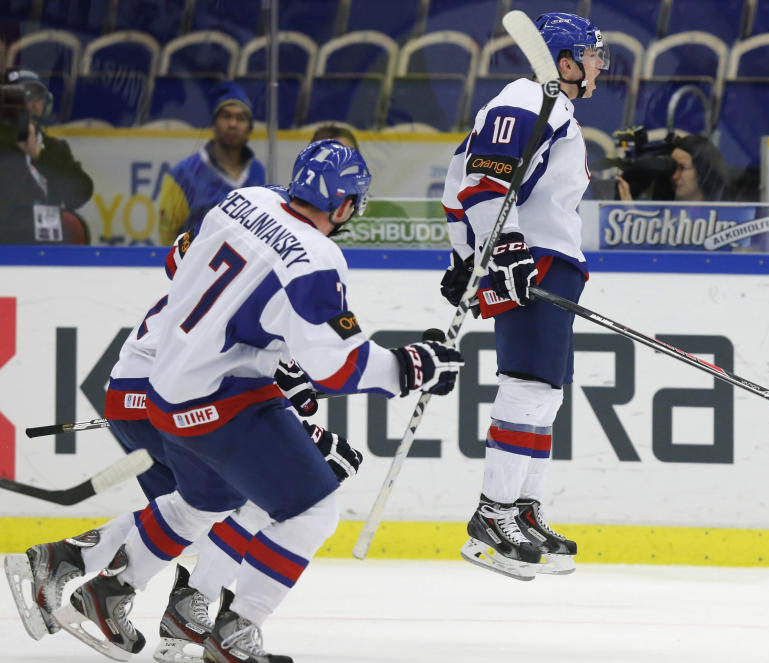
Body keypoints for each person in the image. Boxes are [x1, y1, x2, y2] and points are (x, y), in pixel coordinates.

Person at [48, 140, 463, 663]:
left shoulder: (243, 201)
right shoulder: (316, 256)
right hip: (216, 396)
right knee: (312, 508)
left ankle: (114, 589)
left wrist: (264, 342)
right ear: (341, 205)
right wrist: (414, 366)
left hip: (164, 390)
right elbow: (340, 366)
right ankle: (235, 633)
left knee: (207, 502)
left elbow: (180, 262)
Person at [4, 226, 360, 663]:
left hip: (147, 388)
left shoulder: (242, 227)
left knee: (204, 502)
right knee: (233, 498)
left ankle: (88, 574)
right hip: (172, 392)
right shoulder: (287, 264)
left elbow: (181, 262)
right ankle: (159, 597)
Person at [439, 12, 607, 581]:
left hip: (551, 264)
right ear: (564, 61)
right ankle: (492, 515)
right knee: (527, 387)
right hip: (528, 262)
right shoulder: (525, 98)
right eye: (590, 54)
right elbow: (482, 181)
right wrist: (497, 249)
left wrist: (470, 255)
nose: (598, 64)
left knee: (547, 395)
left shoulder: (554, 107)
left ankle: (522, 510)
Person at [157, 81, 266, 245]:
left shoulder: (257, 171)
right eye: (226, 116)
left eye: (241, 118)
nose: (233, 124)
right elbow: (167, 239)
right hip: (195, 266)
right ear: (214, 124)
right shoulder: (182, 174)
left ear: (250, 129)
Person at [0, 68, 93, 244]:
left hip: (47, 241)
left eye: (36, 96)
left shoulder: (54, 148)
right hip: (5, 241)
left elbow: (80, 194)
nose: (30, 103)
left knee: (74, 226)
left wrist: (39, 155)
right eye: (20, 97)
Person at [616, 134, 728, 202]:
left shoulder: (721, 217)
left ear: (703, 171)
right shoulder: (666, 211)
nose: (674, 176)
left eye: (682, 168)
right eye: (672, 168)